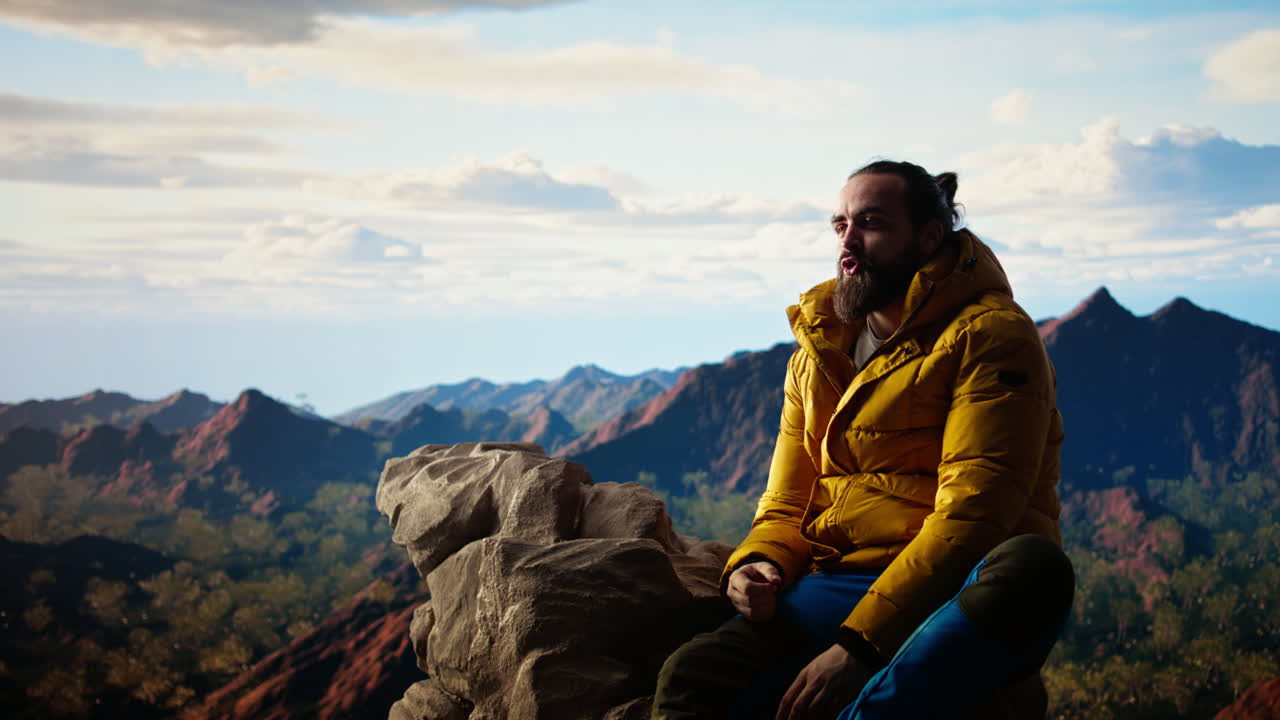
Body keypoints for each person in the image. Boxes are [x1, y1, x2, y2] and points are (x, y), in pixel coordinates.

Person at [651, 161, 1074, 720]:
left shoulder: (991, 335)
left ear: (929, 236)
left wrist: (858, 649)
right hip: (838, 582)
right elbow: (786, 501)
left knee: (1033, 567)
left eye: (871, 223)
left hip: (953, 589)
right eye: (840, 225)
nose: (848, 241)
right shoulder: (817, 354)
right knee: (690, 676)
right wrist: (759, 563)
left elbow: (974, 516)